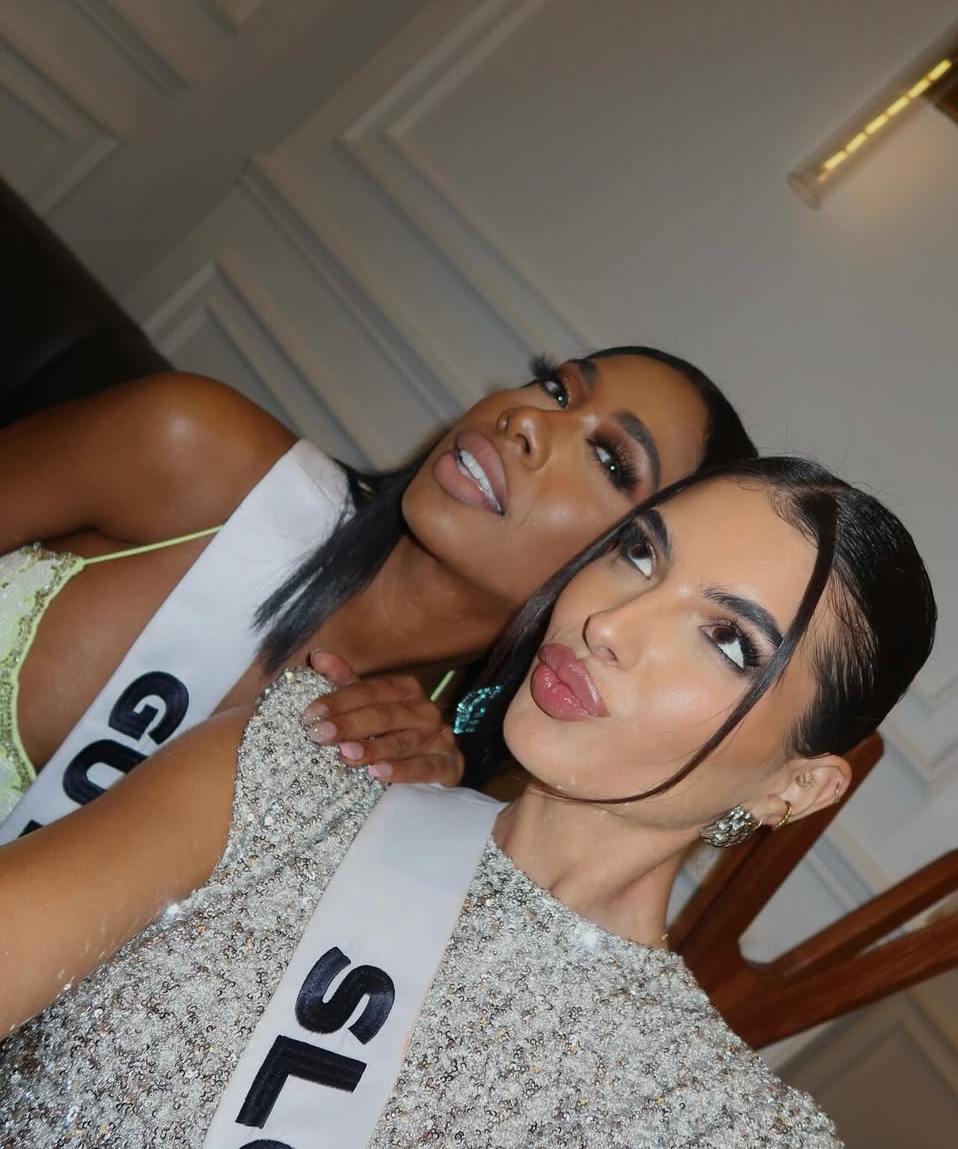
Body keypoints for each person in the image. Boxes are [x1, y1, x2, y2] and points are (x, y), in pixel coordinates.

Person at [0, 456, 935, 1149]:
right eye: (640, 553)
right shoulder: (303, 761)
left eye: (727, 639)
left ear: (794, 787)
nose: (608, 624)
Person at [0, 346, 754, 835]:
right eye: (557, 387)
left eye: (610, 459)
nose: (527, 419)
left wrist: (389, 825)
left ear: (632, 568)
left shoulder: (420, 781)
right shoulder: (194, 450)